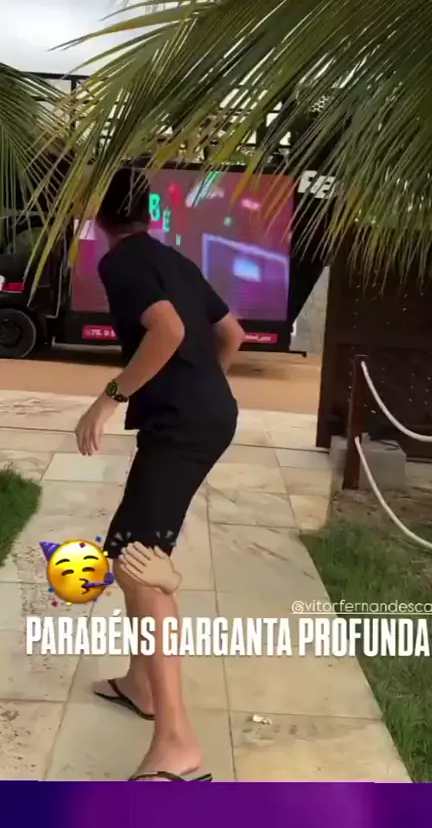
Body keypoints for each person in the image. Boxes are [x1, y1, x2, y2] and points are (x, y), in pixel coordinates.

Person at [74, 166, 244, 782]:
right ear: (147, 212)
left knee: (137, 562)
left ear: (100, 216)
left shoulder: (119, 262)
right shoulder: (173, 259)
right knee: (132, 549)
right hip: (210, 415)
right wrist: (202, 388)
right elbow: (232, 334)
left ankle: (176, 743)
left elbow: (167, 330)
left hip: (182, 424)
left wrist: (109, 398)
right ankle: (140, 684)